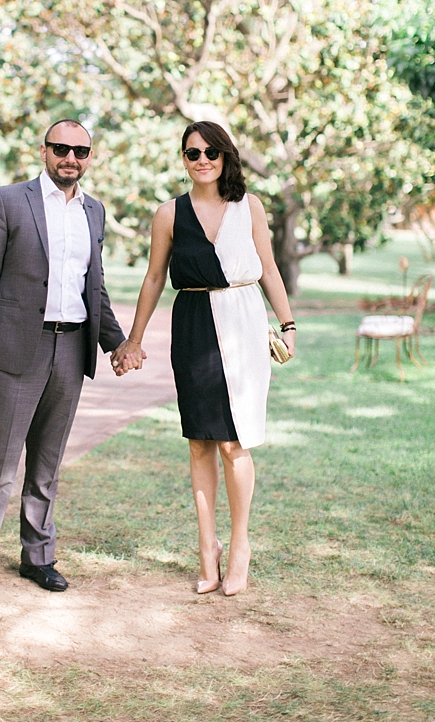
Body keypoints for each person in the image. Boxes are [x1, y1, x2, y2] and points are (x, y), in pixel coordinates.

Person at [112, 121, 295, 596]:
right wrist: (133, 339)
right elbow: (153, 279)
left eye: (211, 152)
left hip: (243, 319)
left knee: (236, 442)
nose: (203, 161)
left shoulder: (248, 206)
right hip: (193, 325)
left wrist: (288, 324)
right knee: (199, 443)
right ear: (184, 159)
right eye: (193, 154)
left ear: (225, 155)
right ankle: (206, 547)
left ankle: (239, 547)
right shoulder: (168, 214)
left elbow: (270, 268)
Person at [0, 119, 134, 604]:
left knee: (48, 465)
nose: (70, 158)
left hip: (71, 349)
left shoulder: (94, 212)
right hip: (16, 350)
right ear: (44, 151)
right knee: (0, 463)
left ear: (89, 157)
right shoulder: (9, 200)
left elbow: (92, 286)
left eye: (80, 151)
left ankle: (38, 557)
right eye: (61, 148)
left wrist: (116, 342)